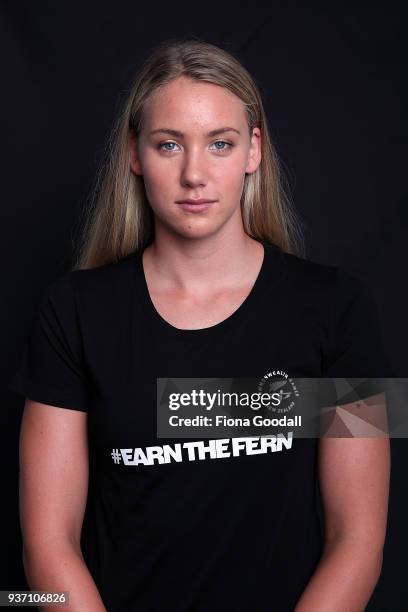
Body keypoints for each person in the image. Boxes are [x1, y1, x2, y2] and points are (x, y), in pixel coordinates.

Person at [10, 38, 391, 612]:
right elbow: (45, 549)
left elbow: (358, 541)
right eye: (168, 144)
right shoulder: (71, 310)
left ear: (253, 151)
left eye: (220, 144)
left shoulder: (339, 307)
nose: (195, 174)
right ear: (135, 154)